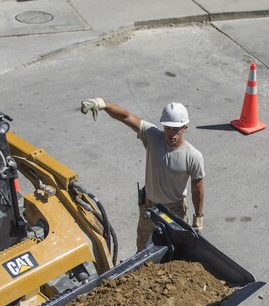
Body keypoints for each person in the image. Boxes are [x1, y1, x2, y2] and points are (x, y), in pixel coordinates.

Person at [80, 97, 205, 251]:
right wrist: (104, 105)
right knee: (142, 248)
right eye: (167, 128)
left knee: (175, 251)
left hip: (173, 211)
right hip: (149, 207)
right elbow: (126, 116)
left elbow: (197, 188)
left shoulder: (193, 156)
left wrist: (198, 217)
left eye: (176, 129)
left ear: (185, 127)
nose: (171, 133)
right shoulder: (153, 137)